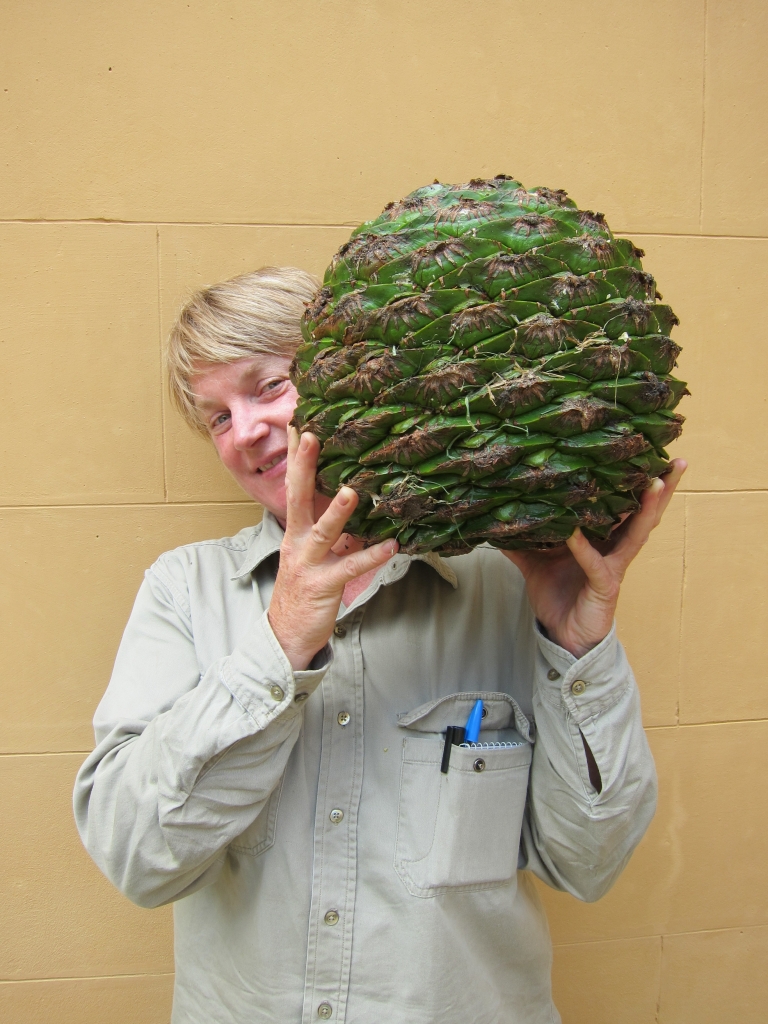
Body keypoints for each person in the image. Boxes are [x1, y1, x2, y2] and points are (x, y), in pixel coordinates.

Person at [74, 266, 685, 1024]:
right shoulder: (182, 593)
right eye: (217, 418)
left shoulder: (506, 586)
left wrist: (575, 651)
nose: (246, 433)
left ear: (359, 376)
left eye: (267, 387)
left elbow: (587, 864)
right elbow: (138, 860)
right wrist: (279, 646)